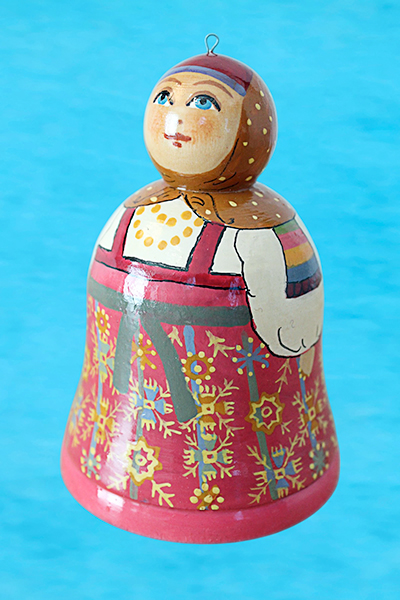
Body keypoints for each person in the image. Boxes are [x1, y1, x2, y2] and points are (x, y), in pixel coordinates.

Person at [62, 39, 339, 542]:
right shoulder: (129, 217)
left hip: (246, 453)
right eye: (166, 98)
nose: (178, 115)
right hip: (123, 443)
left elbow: (287, 332)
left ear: (249, 128)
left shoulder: (259, 234)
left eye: (205, 102)